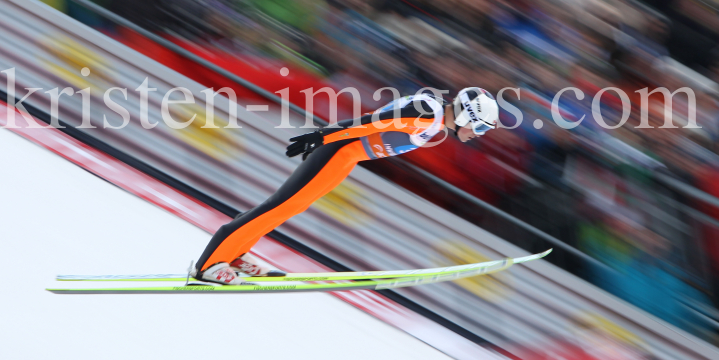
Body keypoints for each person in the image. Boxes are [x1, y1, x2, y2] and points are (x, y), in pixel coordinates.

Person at [190, 87, 500, 283]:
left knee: (290, 207)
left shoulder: (432, 116)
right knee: (280, 205)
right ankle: (209, 263)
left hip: (345, 157)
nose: (479, 134)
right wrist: (320, 137)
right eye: (481, 127)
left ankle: (234, 254)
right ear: (467, 116)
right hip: (337, 150)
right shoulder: (425, 115)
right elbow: (365, 124)